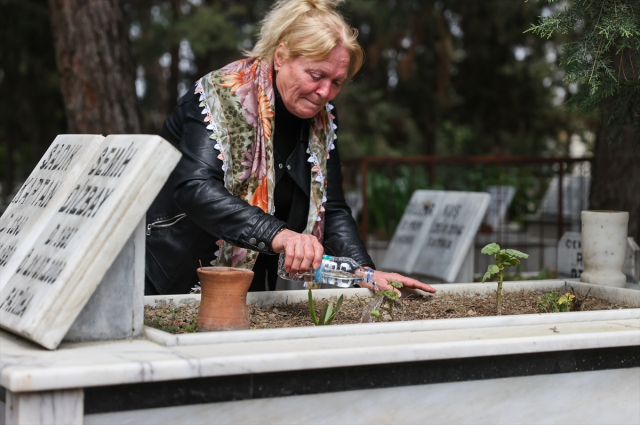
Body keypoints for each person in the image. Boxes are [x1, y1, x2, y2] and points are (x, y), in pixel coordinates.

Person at [145, 0, 436, 296]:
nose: (325, 92)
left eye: (337, 81)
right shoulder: (219, 96)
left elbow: (331, 209)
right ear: (281, 56)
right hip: (174, 280)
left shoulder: (322, 121)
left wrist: (365, 272)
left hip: (250, 285)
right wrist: (278, 234)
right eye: (316, 75)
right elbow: (195, 187)